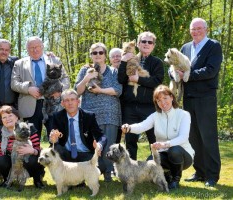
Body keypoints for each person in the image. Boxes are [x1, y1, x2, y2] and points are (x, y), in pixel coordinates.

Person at [122, 84, 194, 190]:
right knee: (150, 162)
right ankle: (167, 176)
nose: (163, 102)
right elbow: (142, 126)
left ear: (172, 97)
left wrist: (165, 144)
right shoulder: (155, 116)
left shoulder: (184, 114)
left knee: (175, 150)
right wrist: (129, 128)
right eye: (159, 100)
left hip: (183, 155)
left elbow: (183, 137)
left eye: (165, 98)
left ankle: (175, 180)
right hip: (163, 153)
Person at [179, 18, 222, 187]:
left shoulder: (213, 46)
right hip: (188, 98)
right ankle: (200, 171)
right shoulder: (185, 48)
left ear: (206, 29)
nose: (196, 31)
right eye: (193, 29)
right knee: (194, 137)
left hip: (205, 98)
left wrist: (188, 75)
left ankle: (212, 175)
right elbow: (177, 67)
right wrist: (173, 72)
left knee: (208, 137)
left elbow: (211, 70)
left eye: (199, 28)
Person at [75, 42, 122, 181]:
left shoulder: (113, 71)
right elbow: (77, 91)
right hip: (89, 113)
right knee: (90, 143)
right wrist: (87, 78)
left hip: (109, 113)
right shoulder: (85, 70)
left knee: (108, 144)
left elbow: (118, 90)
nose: (97, 55)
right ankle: (90, 171)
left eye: (100, 52)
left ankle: (108, 171)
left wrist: (100, 90)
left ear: (105, 55)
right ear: (91, 55)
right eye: (94, 53)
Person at [11, 36, 70, 139]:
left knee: (56, 138)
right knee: (32, 140)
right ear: (27, 49)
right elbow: (14, 83)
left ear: (42, 46)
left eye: (37, 46)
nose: (35, 49)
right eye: (31, 47)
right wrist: (28, 89)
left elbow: (65, 79)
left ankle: (55, 155)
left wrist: (59, 91)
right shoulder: (19, 63)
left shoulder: (54, 60)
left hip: (53, 104)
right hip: (30, 105)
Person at [118, 31, 164, 160]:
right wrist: (123, 62)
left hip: (149, 107)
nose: (146, 44)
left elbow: (157, 81)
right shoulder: (129, 59)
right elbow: (121, 79)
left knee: (153, 140)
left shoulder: (157, 63)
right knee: (130, 141)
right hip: (130, 107)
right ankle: (131, 170)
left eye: (150, 42)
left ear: (153, 45)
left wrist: (139, 79)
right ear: (138, 44)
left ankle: (158, 169)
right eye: (143, 41)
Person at [0, 105, 45, 189]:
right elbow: (0, 153)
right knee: (1, 161)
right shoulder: (1, 133)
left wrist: (32, 151)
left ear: (16, 117)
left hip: (28, 163)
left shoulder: (28, 127)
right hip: (13, 163)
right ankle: (7, 180)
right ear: (2, 120)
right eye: (4, 117)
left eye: (10, 115)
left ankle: (37, 180)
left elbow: (39, 150)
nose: (7, 119)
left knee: (32, 159)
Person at [49, 89, 107, 172]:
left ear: (78, 101)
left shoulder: (89, 116)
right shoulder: (57, 117)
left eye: (73, 99)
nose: (70, 103)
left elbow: (102, 136)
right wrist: (53, 139)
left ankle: (78, 178)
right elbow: (53, 138)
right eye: (66, 100)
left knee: (100, 166)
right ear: (62, 104)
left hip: (85, 153)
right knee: (55, 148)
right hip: (66, 154)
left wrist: (99, 145)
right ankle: (65, 176)